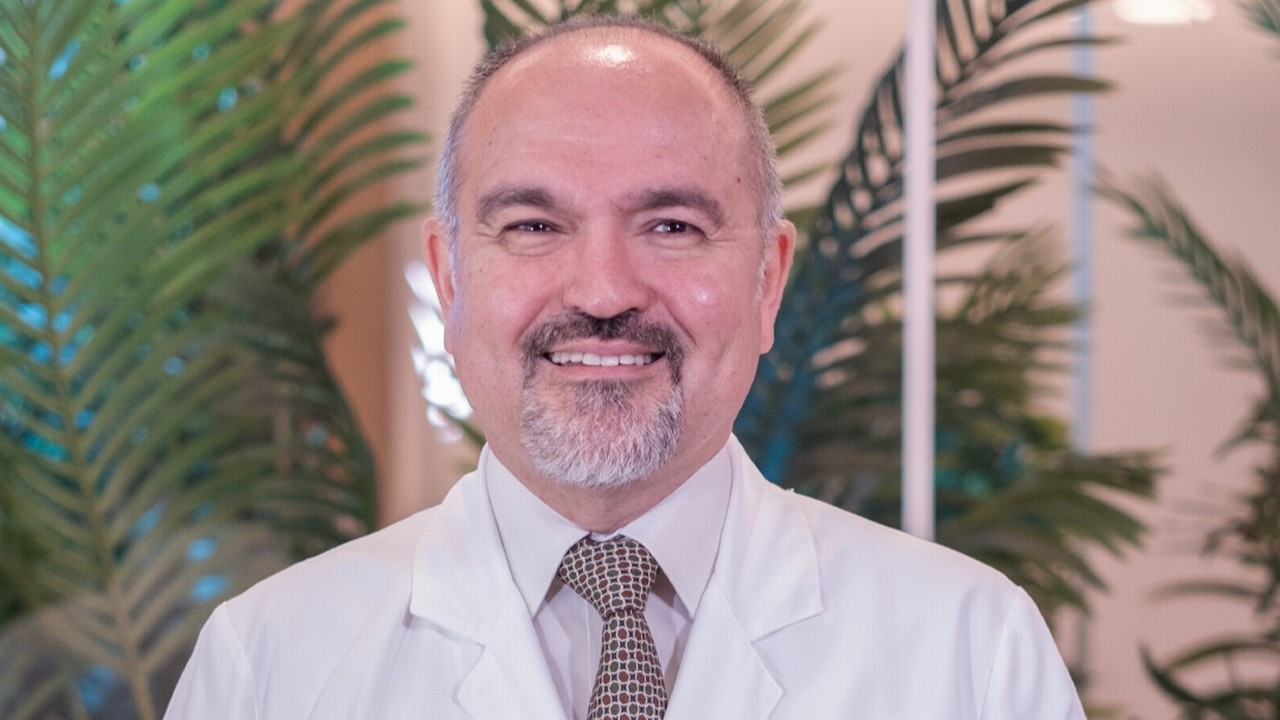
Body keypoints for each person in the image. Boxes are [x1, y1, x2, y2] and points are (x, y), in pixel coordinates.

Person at [165, 15, 1086, 720]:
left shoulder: (973, 652)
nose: (604, 290)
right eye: (534, 225)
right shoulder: (270, 665)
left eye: (672, 226)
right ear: (450, 283)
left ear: (768, 281)